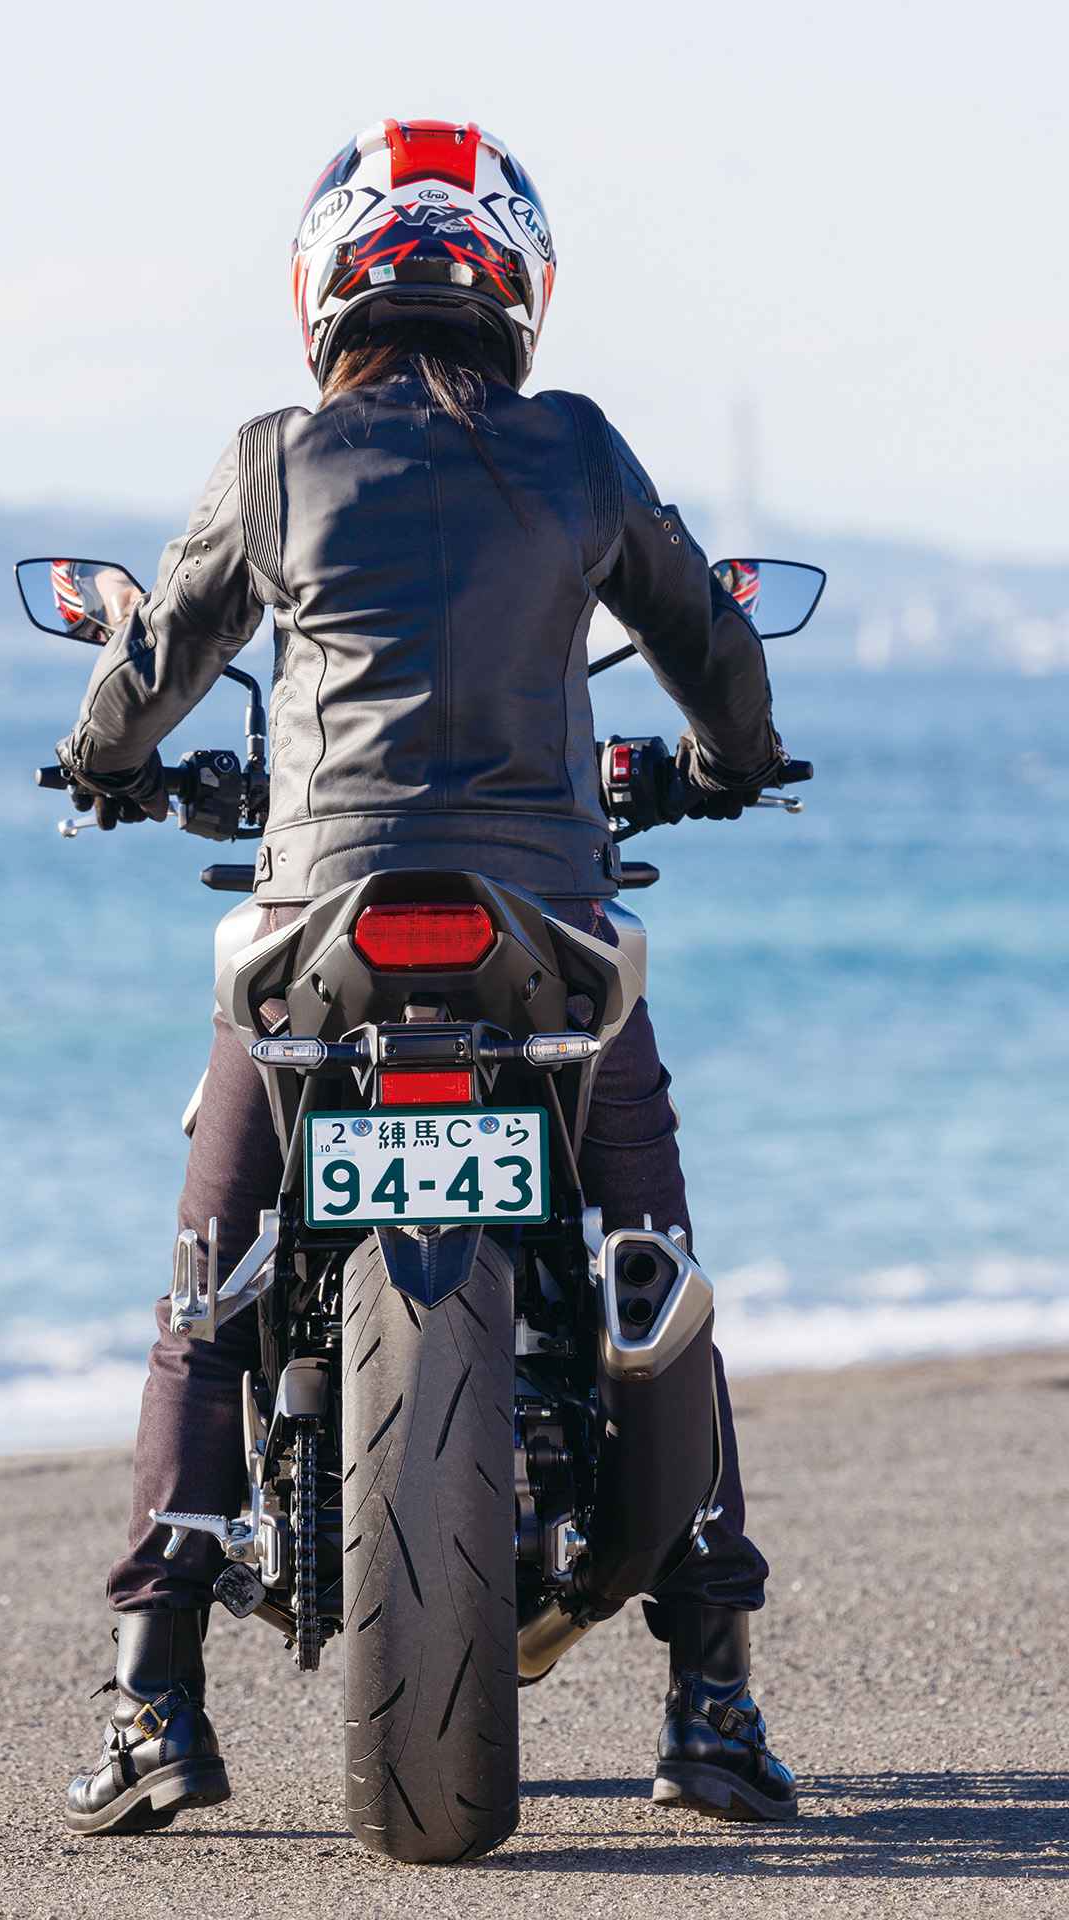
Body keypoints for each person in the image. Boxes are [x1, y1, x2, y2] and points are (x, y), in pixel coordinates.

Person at [58, 118, 797, 1835]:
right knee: (653, 1257)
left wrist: (102, 760)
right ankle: (711, 1696)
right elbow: (706, 637)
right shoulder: (578, 449)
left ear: (327, 287)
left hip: (316, 921)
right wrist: (738, 760)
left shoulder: (277, 457)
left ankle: (154, 1699)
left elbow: (162, 659)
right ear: (514, 289)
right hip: (546, 919)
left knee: (209, 1283)